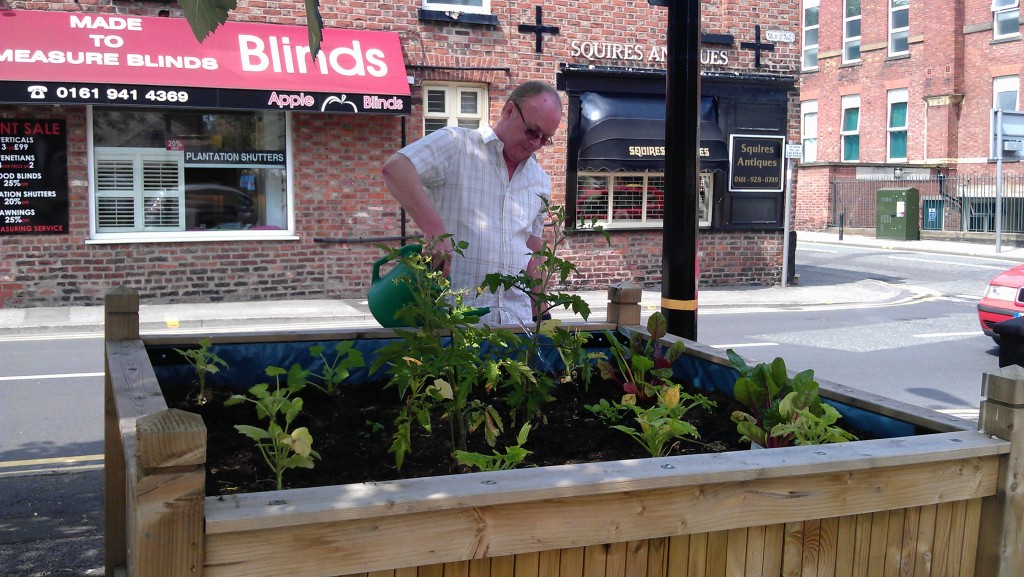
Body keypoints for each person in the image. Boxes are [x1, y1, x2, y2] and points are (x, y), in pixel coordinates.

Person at [382, 80, 563, 325]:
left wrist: (542, 315)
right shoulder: (457, 144)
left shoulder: (539, 180)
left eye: (546, 139)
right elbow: (397, 168)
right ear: (509, 111)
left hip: (516, 326)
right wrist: (435, 231)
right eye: (532, 131)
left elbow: (532, 250)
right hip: (454, 326)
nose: (536, 144)